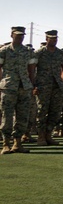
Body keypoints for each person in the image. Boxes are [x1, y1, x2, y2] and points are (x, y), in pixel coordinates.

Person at [0, 26, 37, 154]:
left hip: (24, 87)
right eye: (17, 35)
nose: (20, 37)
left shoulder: (28, 51)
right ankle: (6, 144)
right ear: (12, 35)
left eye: (22, 35)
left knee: (22, 116)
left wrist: (32, 85)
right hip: (9, 87)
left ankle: (17, 143)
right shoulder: (4, 51)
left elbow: (31, 70)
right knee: (7, 116)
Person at [33, 31, 63, 146]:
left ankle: (49, 135)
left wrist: (62, 83)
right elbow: (32, 70)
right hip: (43, 86)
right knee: (42, 111)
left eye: (55, 38)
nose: (54, 40)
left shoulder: (61, 54)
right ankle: (41, 136)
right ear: (46, 38)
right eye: (51, 38)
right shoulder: (39, 53)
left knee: (55, 112)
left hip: (57, 87)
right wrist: (34, 85)